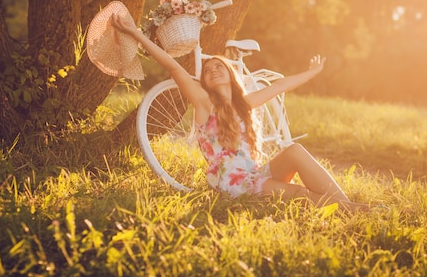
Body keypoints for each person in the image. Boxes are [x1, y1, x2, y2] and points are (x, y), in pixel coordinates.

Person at [112, 12, 368, 211]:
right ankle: (355, 210)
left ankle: (348, 207)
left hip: (253, 174)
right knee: (300, 194)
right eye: (208, 70)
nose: (213, 70)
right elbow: (173, 67)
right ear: (204, 82)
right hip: (231, 181)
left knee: (295, 151)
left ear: (231, 74)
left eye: (219, 66)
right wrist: (136, 33)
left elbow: (279, 86)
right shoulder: (204, 103)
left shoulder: (245, 103)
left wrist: (312, 73)